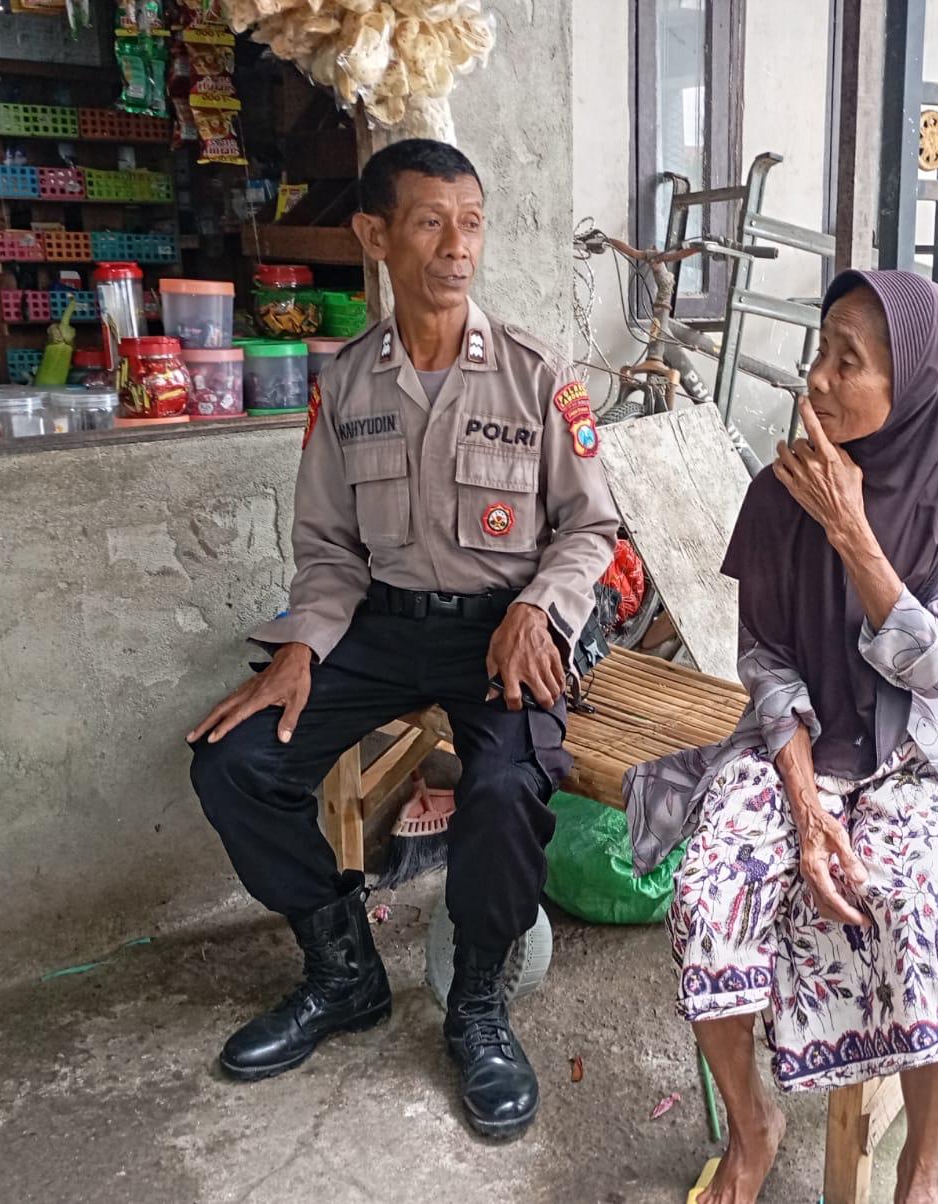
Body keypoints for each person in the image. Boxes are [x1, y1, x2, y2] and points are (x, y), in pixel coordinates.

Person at [187, 139, 617, 1139]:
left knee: (504, 790)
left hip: (503, 628)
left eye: (471, 223)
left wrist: (538, 609)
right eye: (430, 222)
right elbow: (328, 547)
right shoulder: (346, 384)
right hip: (380, 623)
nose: (457, 246)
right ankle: (342, 973)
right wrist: (300, 647)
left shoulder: (535, 375)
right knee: (235, 761)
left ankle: (478, 1003)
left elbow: (591, 528)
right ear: (374, 235)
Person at [624, 270, 938, 1204]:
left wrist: (853, 530)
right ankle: (753, 1125)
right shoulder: (778, 494)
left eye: (850, 362)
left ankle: (923, 1168)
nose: (818, 378)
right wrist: (806, 814)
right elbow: (765, 663)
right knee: (708, 889)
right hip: (797, 748)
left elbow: (936, 669)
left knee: (919, 899)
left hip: (919, 755)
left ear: (914, 384)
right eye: (821, 350)